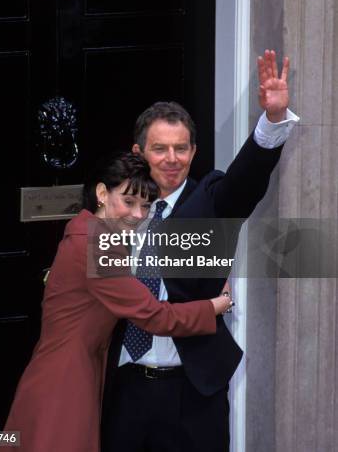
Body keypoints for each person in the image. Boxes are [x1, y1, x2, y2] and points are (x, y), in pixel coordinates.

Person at [101, 50, 299, 452]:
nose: (172, 160)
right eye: (160, 149)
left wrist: (273, 121)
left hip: (192, 394)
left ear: (193, 151)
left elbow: (245, 181)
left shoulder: (212, 201)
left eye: (182, 148)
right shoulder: (115, 209)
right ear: (139, 154)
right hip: (123, 388)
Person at [0, 152, 232, 452]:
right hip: (65, 383)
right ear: (101, 193)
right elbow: (154, 316)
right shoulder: (96, 247)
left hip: (66, 373)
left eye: (145, 205)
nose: (137, 215)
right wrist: (218, 304)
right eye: (128, 201)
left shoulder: (89, 232)